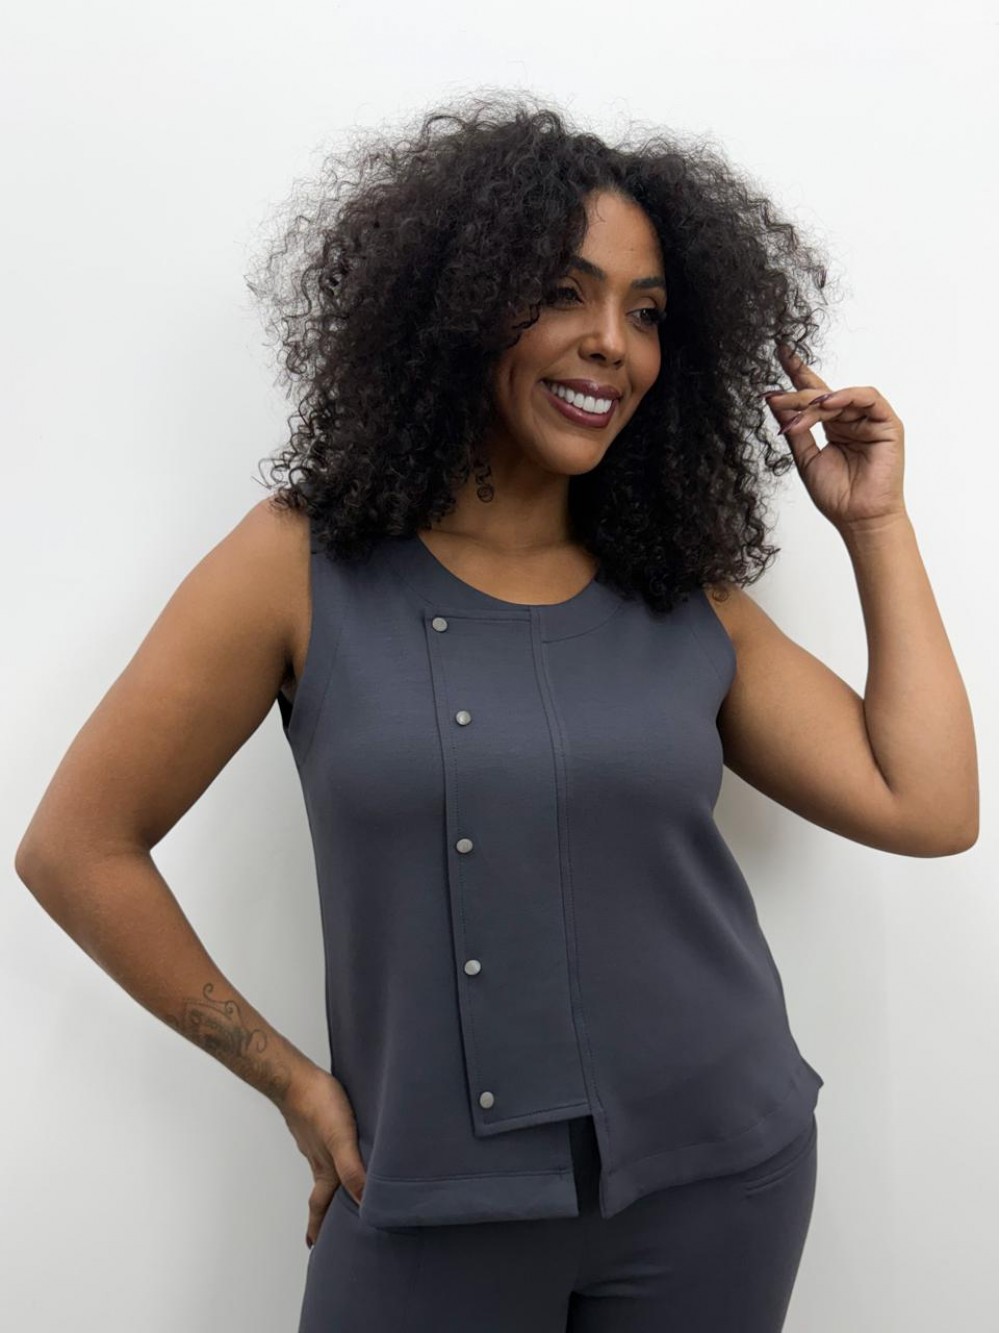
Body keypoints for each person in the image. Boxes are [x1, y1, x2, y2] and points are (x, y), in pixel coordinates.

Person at [15, 94, 978, 1332]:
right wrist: (293, 1083)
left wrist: (875, 525)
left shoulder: (681, 595)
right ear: (458, 306)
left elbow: (927, 805)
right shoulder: (295, 565)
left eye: (646, 313)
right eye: (564, 293)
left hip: (719, 1184)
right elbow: (77, 847)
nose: (611, 344)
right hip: (424, 1199)